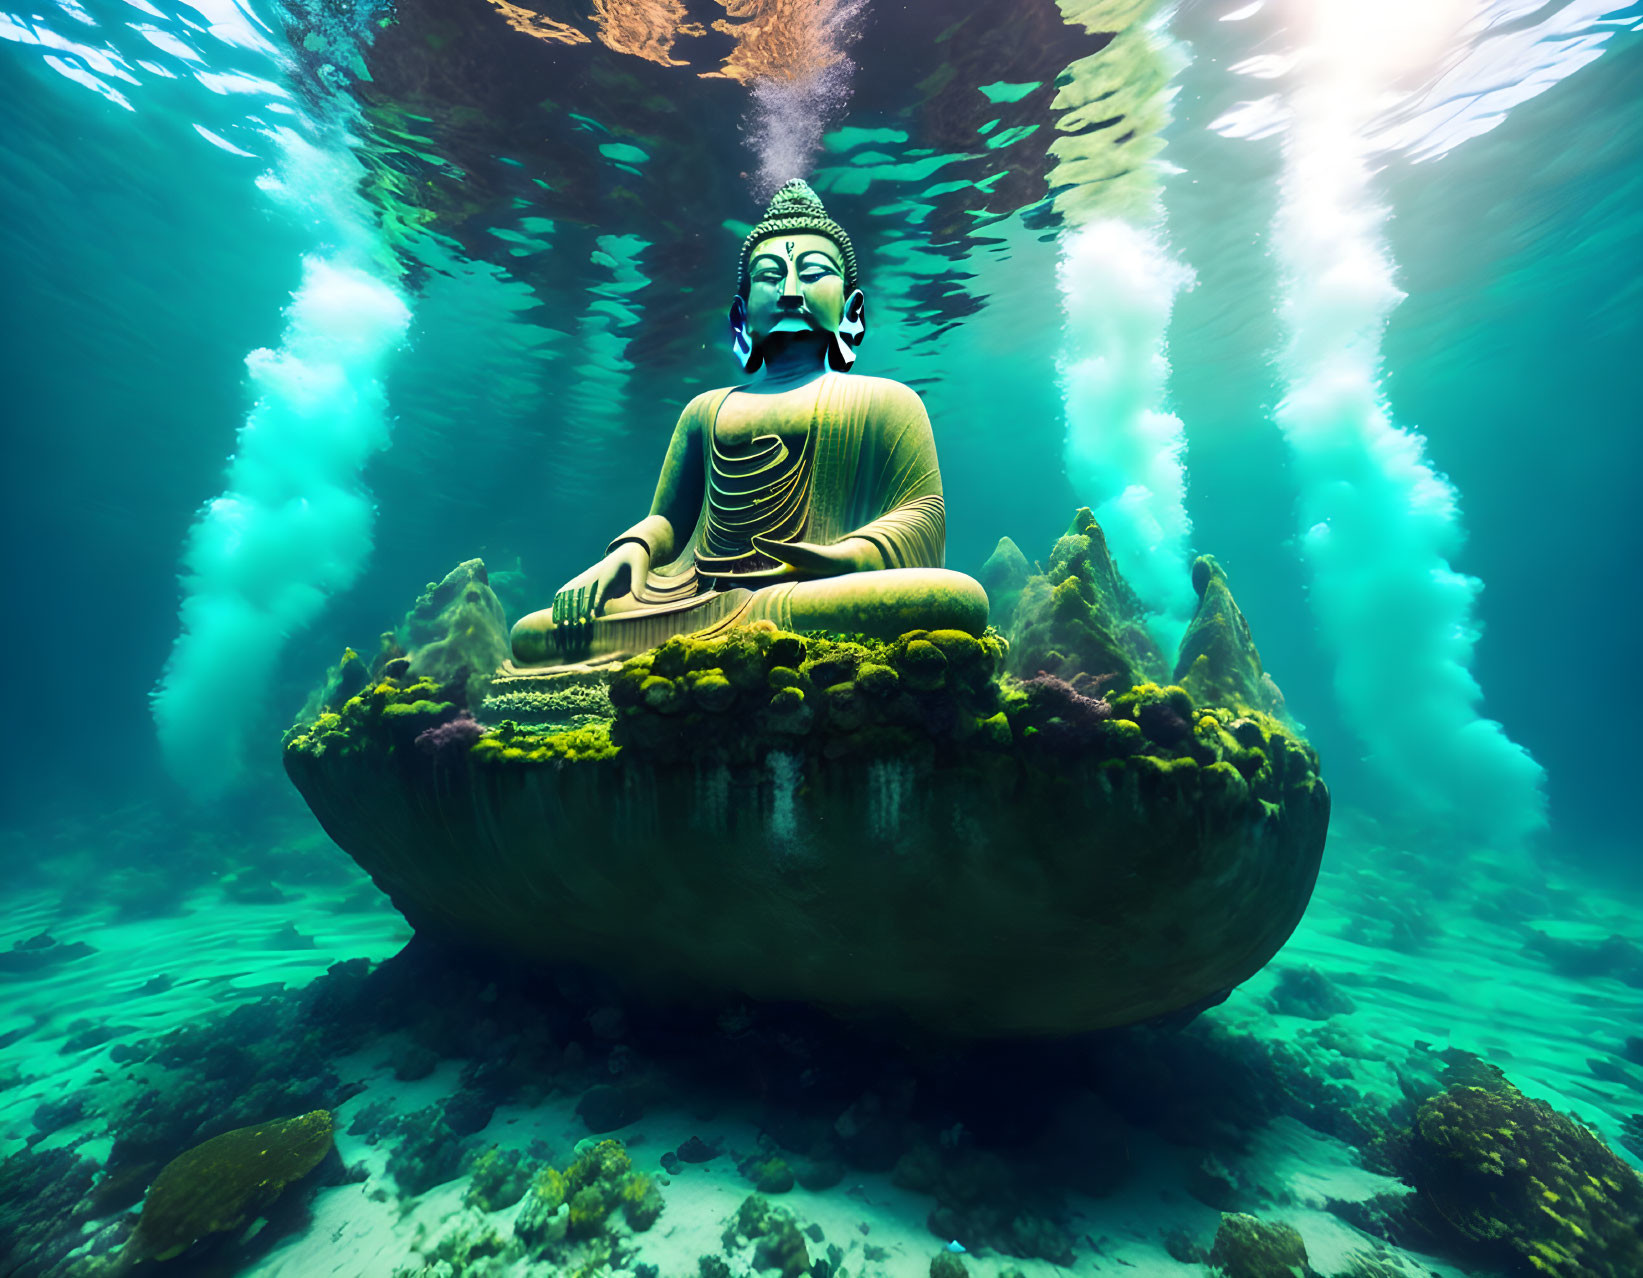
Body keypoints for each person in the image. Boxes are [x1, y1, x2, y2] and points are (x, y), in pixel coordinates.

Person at [510, 178, 988, 665]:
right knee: (534, 632)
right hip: (694, 595)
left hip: (813, 592)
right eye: (768, 275)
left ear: (851, 309)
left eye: (815, 272)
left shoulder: (887, 400)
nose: (789, 291)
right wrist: (629, 553)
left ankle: (714, 641)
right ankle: (717, 634)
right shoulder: (705, 409)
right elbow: (670, 522)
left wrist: (846, 556)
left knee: (953, 598)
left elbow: (922, 516)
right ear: (740, 315)